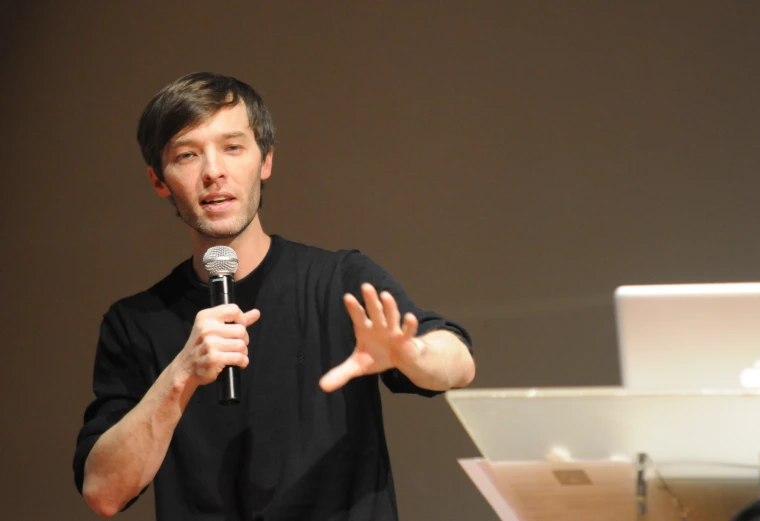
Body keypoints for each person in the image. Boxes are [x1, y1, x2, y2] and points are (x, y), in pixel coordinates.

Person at [72, 72, 475, 521]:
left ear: (265, 161)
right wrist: (180, 375)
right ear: (158, 180)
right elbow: (103, 492)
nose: (213, 172)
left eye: (233, 147)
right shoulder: (136, 322)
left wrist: (411, 352)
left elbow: (458, 362)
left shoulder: (338, 278)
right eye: (187, 155)